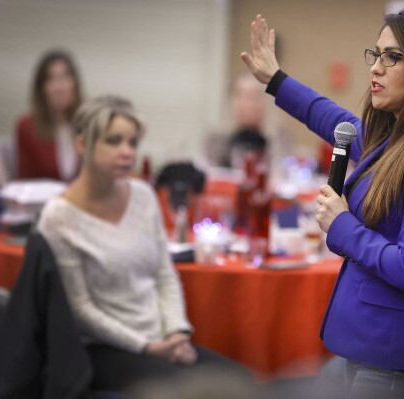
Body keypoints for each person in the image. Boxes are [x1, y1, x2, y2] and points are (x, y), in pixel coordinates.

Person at [241, 8, 404, 398]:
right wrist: (276, 80)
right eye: (377, 54)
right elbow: (333, 120)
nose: (376, 68)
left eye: (393, 58)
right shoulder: (401, 140)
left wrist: (343, 226)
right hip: (370, 350)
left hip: (399, 359)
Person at [37, 96, 248, 391]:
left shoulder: (143, 196)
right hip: (102, 350)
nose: (127, 152)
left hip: (161, 339)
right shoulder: (59, 215)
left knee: (248, 385)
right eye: (114, 141)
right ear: (83, 145)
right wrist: (148, 347)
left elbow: (165, 274)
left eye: (133, 143)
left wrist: (176, 333)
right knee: (200, 392)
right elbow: (80, 309)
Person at [16, 49, 83, 181]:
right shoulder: (26, 126)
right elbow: (24, 182)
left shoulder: (90, 121)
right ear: (41, 88)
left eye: (65, 77)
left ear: (75, 82)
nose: (60, 86)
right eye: (51, 79)